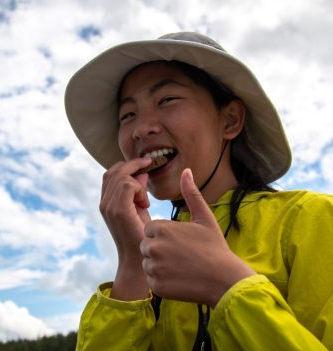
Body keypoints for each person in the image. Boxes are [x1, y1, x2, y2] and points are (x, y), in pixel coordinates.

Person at [65, 32, 333, 350]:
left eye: (166, 99)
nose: (140, 129)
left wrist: (228, 287)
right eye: (128, 115)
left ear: (230, 120)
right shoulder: (153, 257)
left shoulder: (311, 218)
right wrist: (132, 260)